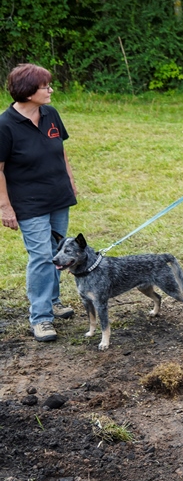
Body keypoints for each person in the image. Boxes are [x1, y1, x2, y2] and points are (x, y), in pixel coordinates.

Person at [0, 64, 78, 342]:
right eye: (45, 86)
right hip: (28, 202)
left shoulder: (50, 113)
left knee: (58, 251)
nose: (50, 90)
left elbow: (62, 151)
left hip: (57, 195)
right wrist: (4, 207)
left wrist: (70, 180)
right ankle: (41, 318)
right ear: (28, 91)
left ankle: (53, 302)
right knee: (42, 256)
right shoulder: (5, 124)